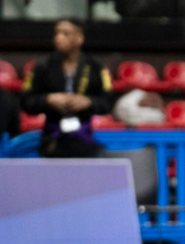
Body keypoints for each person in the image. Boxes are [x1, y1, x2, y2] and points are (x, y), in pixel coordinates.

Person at [20, 19, 114, 157]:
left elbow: (108, 102)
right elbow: (26, 101)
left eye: (66, 34)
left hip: (84, 139)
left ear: (79, 38)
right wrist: (48, 99)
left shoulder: (95, 66)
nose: (59, 38)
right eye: (57, 33)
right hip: (51, 139)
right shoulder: (41, 66)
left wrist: (88, 102)